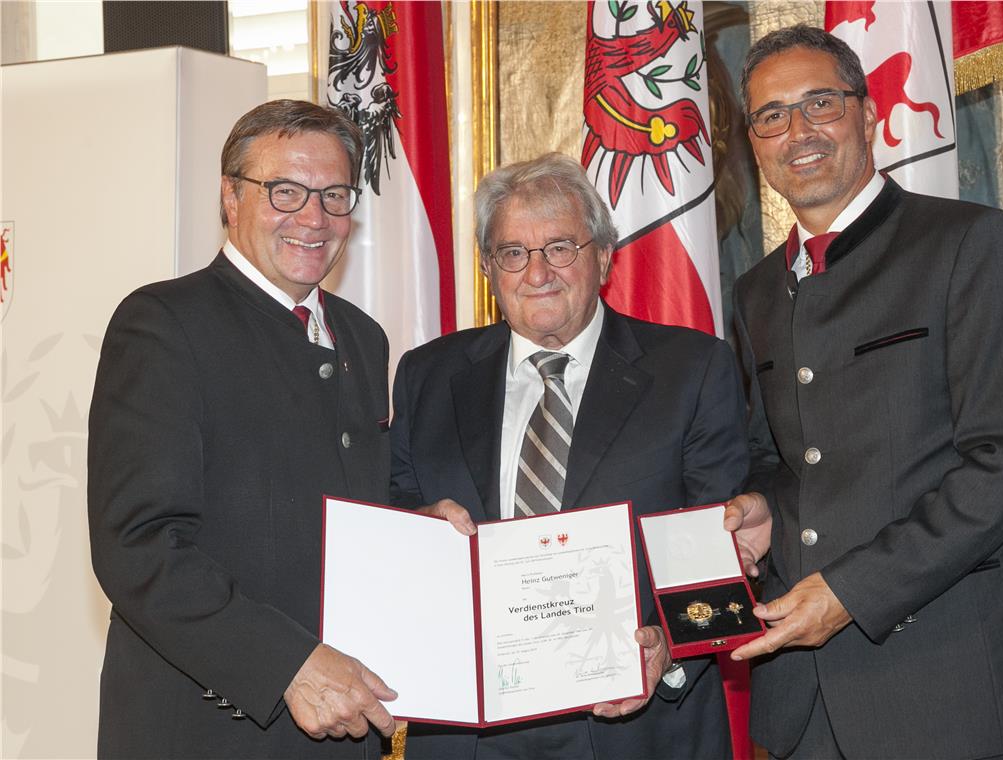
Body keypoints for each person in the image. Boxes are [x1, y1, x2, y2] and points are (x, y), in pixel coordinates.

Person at [88, 99, 473, 758]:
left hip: (345, 729)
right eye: (285, 191)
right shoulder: (163, 324)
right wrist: (286, 663)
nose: (313, 218)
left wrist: (415, 529)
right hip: (208, 734)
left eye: (334, 195)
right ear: (230, 197)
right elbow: (139, 546)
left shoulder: (362, 336)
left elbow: (324, 503)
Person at [723, 25, 1003, 759]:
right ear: (754, 142)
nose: (798, 131)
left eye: (820, 103)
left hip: (946, 691)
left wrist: (853, 590)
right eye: (772, 116)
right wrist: (761, 506)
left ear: (869, 114)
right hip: (803, 705)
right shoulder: (755, 292)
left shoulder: (968, 242)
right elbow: (781, 457)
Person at [390, 152, 748, 759]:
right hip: (468, 733)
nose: (537, 272)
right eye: (512, 252)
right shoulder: (427, 376)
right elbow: (395, 514)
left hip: (637, 728)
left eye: (560, 248)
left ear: (604, 256)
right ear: (488, 267)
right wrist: (416, 531)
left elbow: (722, 544)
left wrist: (668, 647)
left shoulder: (692, 371)